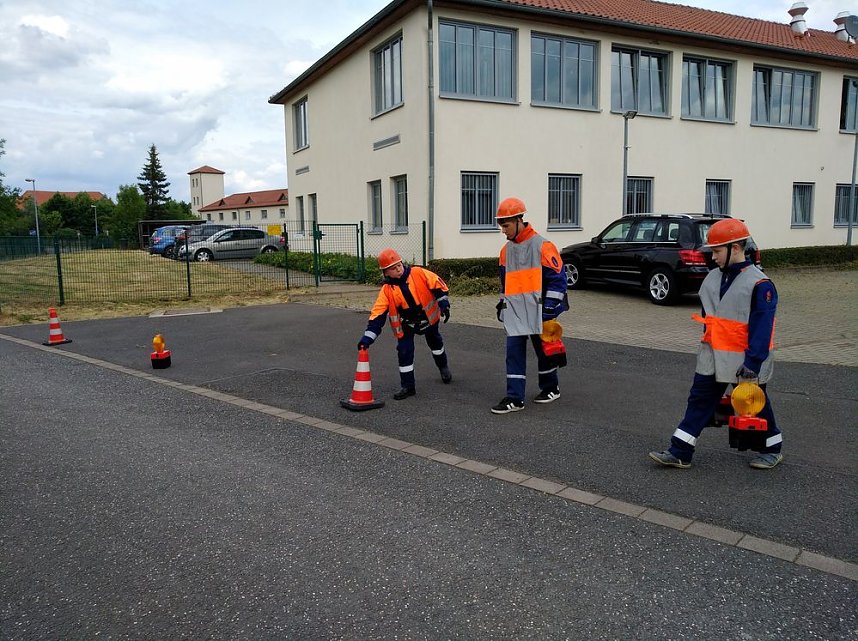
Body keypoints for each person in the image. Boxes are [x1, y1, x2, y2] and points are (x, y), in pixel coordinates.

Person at [649, 218, 783, 470]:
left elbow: (762, 328)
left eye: (717, 251)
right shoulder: (712, 278)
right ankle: (680, 451)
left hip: (745, 359)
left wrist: (753, 364)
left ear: (735, 248)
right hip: (712, 353)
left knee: (754, 404)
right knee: (699, 399)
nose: (713, 257)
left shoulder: (759, 284)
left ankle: (772, 448)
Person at [491, 197, 568, 414]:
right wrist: (501, 303)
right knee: (513, 352)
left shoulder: (543, 246)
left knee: (544, 350)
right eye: (501, 226)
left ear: (518, 220)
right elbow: (505, 283)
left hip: (539, 309)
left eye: (506, 225)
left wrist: (550, 309)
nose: (503, 230)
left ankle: (551, 388)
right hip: (516, 310)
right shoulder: (506, 251)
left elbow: (558, 280)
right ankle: (515, 398)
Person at [357, 248, 452, 400]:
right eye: (393, 268)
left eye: (399, 265)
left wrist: (444, 305)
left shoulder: (418, 273)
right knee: (404, 352)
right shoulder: (387, 290)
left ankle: (443, 367)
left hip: (429, 319)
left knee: (435, 343)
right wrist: (367, 339)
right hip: (406, 324)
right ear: (385, 272)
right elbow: (378, 315)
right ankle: (408, 386)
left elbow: (438, 286)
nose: (398, 269)